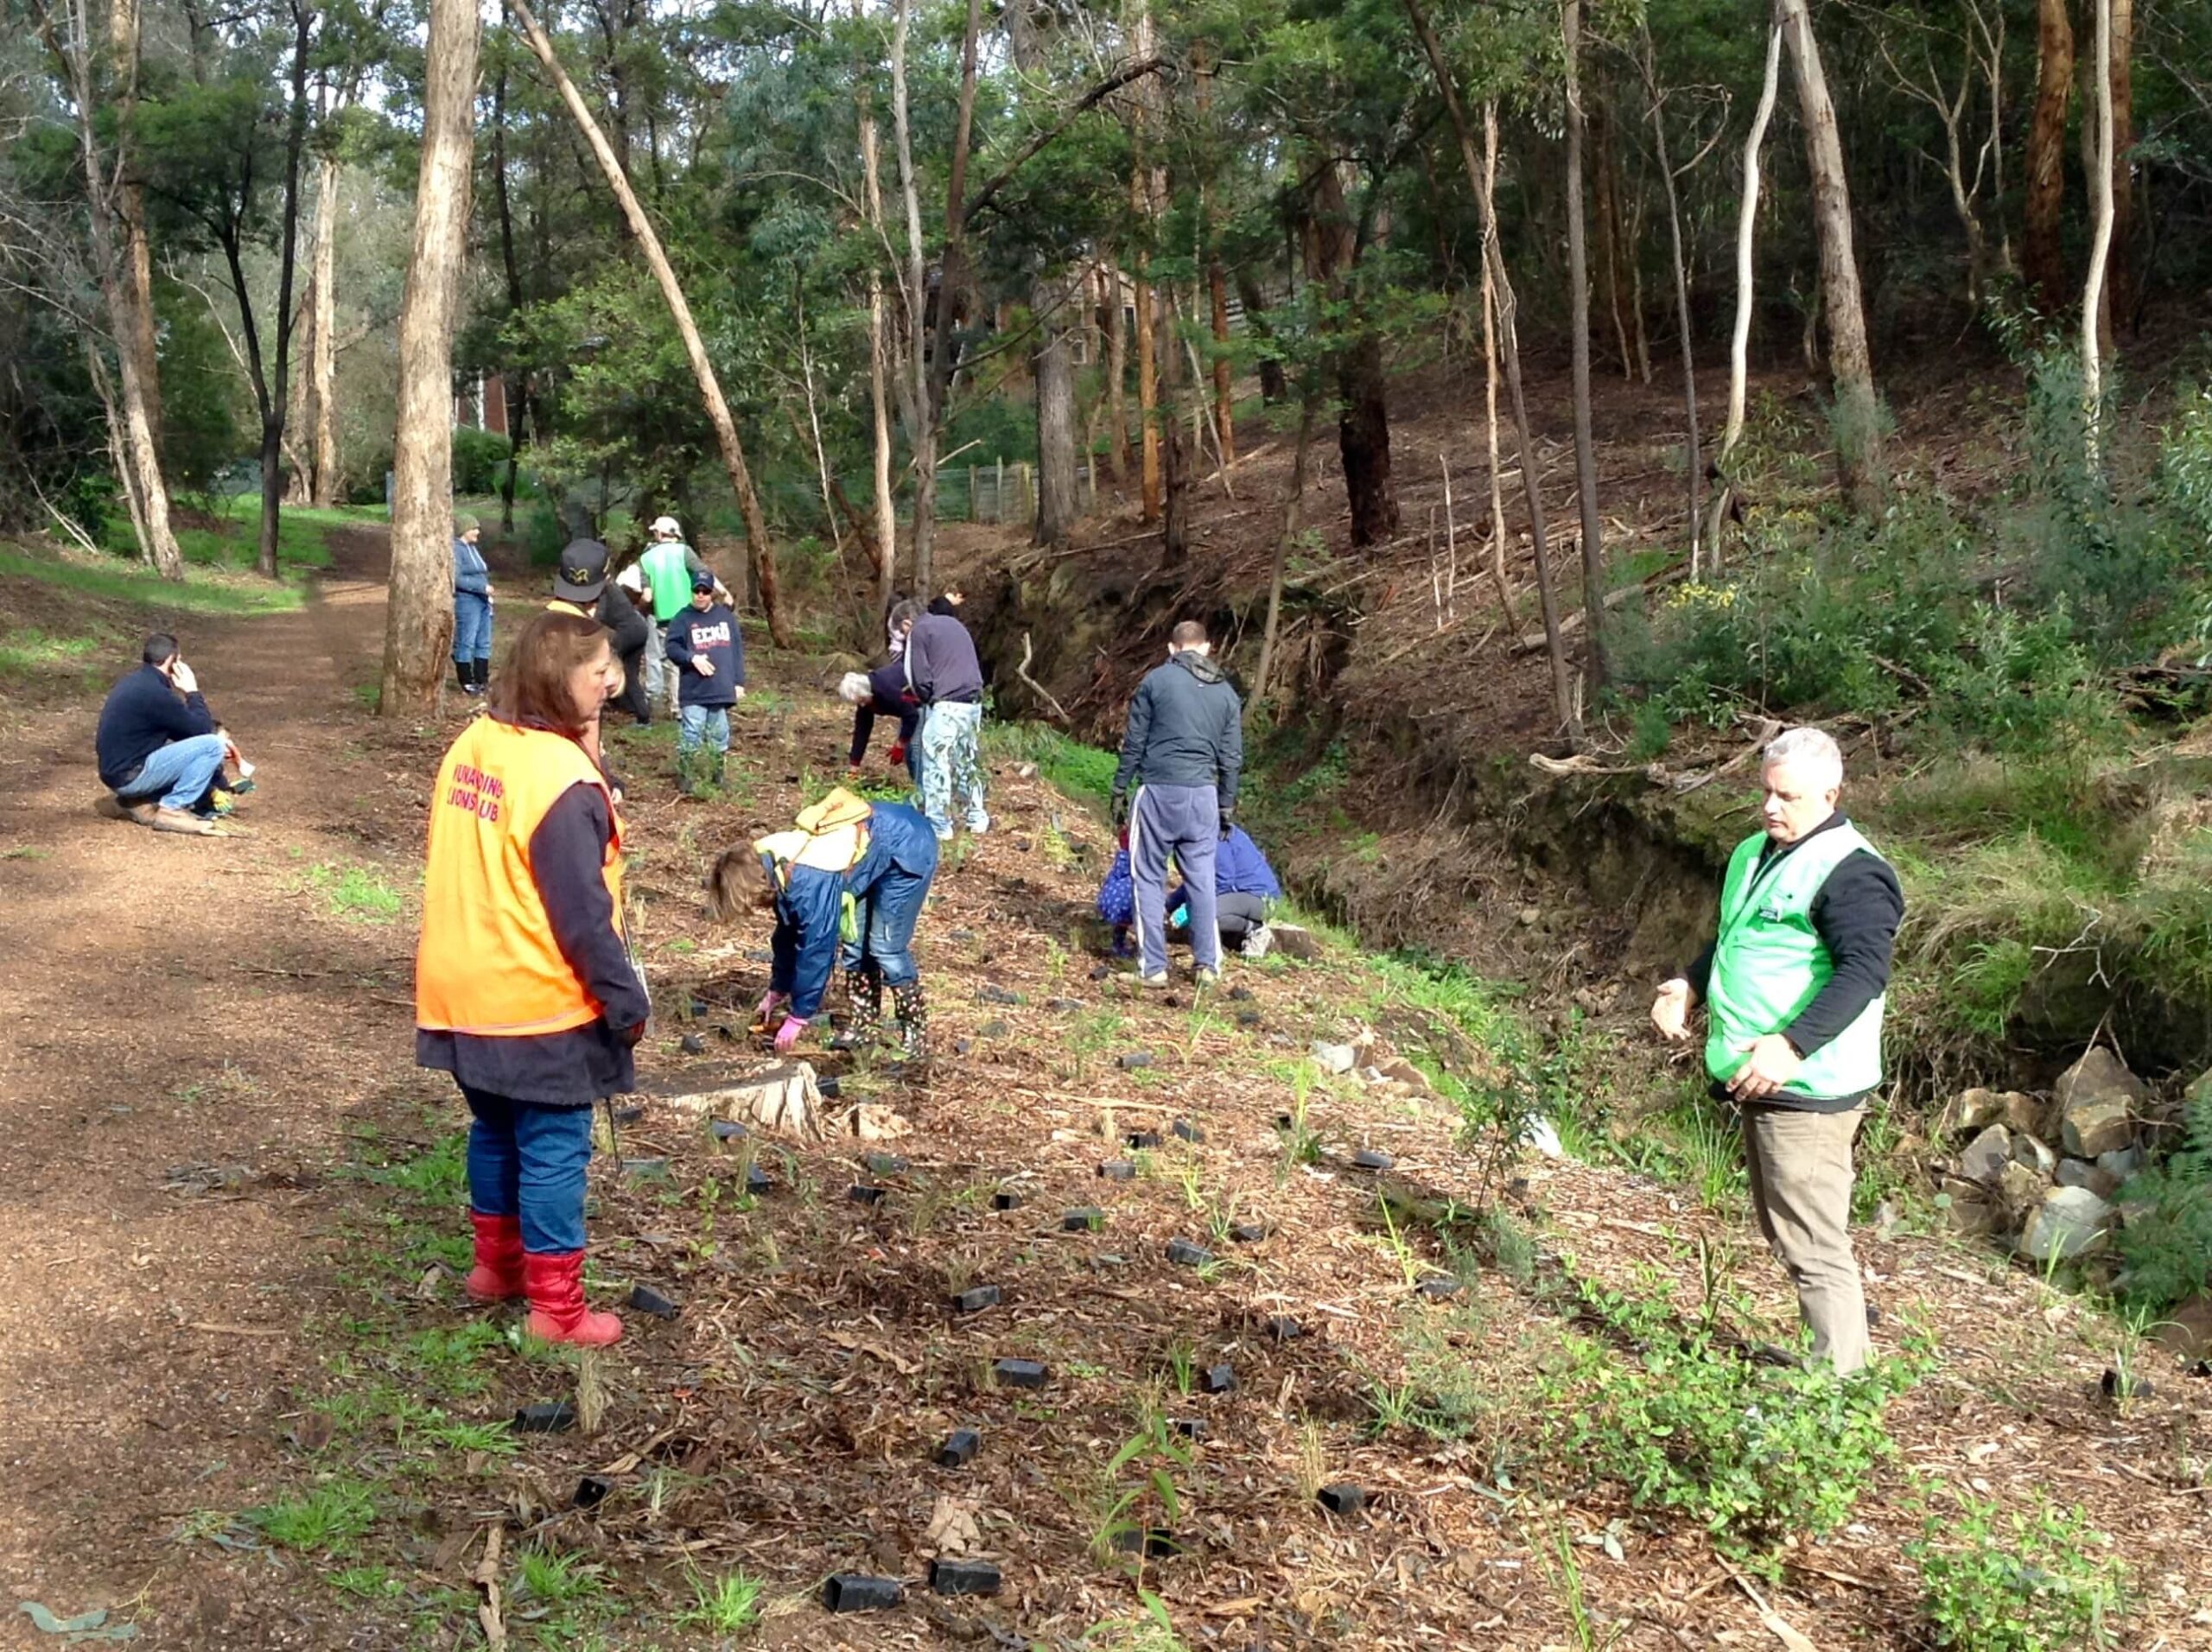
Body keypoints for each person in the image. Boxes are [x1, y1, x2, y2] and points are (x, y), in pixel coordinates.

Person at [415, 607, 646, 1348]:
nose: (610, 683)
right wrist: (623, 1000)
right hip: (531, 998)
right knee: (553, 1145)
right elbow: (583, 915)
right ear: (556, 677)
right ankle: (557, 1312)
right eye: (597, 671)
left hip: (457, 987)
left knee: (494, 1127)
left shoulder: (476, 743)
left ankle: (497, 1270)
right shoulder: (560, 780)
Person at [1649, 726, 1904, 1375]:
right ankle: (1831, 1361)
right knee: (1789, 1229)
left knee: (1813, 1240)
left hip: (1809, 1090)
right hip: (1760, 1079)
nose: (1771, 808)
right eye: (1765, 792)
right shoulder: (1752, 853)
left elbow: (1864, 973)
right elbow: (1734, 940)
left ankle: (1840, 1385)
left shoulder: (1855, 873)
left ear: (1831, 793)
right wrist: (1689, 984)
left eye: (1787, 797)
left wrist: (1792, 1046)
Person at [709, 787, 939, 1064]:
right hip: (873, 848)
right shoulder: (771, 863)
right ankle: (864, 1028)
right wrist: (777, 989)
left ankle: (915, 1034)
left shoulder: (807, 880)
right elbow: (788, 932)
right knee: (855, 946)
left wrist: (799, 1016)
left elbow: (817, 947)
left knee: (885, 946)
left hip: (906, 846)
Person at [1110, 620, 1243, 988]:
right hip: (1203, 795)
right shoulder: (1226, 693)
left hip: (1158, 791)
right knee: (1201, 880)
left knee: (1149, 877)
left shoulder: (1155, 681)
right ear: (1207, 648)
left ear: (1172, 649)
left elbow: (1134, 742)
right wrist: (1226, 805)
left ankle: (1153, 967)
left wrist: (1120, 786)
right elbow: (1231, 758)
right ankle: (1207, 966)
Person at [93, 633, 245, 836]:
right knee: (213, 745)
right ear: (172, 662)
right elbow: (202, 731)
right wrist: (192, 692)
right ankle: (173, 810)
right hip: (132, 776)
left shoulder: (134, 684)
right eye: (179, 660)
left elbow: (185, 735)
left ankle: (138, 802)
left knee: (194, 749)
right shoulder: (157, 694)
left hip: (116, 773)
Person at [892, 597, 988, 841]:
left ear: (906, 623)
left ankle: (938, 825)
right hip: (974, 700)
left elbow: (918, 676)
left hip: (947, 703)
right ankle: (976, 817)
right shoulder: (954, 624)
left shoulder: (918, 631)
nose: (903, 638)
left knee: (936, 760)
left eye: (901, 633)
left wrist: (926, 699)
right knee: (967, 759)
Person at [550, 540, 653, 726]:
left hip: (630, 632)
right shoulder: (606, 586)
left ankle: (602, 708)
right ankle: (638, 712)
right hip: (637, 628)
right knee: (629, 673)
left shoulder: (604, 591)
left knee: (600, 663)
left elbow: (597, 617)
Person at [635, 516, 727, 716]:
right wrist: (724, 593)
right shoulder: (684, 552)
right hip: (685, 617)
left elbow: (647, 595)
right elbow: (706, 574)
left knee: (653, 658)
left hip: (658, 616)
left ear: (659, 534)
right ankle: (678, 707)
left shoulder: (646, 558)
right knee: (679, 661)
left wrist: (639, 610)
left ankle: (653, 705)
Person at [664, 569, 744, 796]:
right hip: (694, 689)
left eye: (705, 591)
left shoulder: (725, 618)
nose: (700, 595)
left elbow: (736, 650)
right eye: (696, 590)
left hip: (720, 687)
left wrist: (738, 682)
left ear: (712, 593)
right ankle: (685, 775)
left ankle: (718, 774)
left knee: (720, 734)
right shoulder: (683, 618)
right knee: (692, 732)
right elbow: (672, 648)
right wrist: (692, 658)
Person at [1166, 823, 1282, 958]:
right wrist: (1169, 904)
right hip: (1240, 896)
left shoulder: (1217, 839)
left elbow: (1224, 882)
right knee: (1200, 912)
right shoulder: (1204, 834)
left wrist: (1190, 908)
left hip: (1261, 898)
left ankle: (1256, 929)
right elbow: (1197, 881)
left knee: (1203, 914)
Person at [838, 664, 920, 785]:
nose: (862, 706)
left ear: (867, 692)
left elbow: (911, 714)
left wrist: (900, 743)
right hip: (908, 711)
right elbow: (862, 731)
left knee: (914, 749)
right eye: (858, 703)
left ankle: (922, 790)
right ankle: (917, 785)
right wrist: (854, 765)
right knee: (909, 751)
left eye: (862, 701)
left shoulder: (886, 689)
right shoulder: (865, 702)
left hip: (921, 702)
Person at [452, 514, 493, 696]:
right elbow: (457, 578)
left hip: (483, 600)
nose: (478, 532)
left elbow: (480, 572)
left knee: (483, 641)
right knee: (466, 641)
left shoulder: (472, 548)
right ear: (464, 530)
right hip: (467, 600)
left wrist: (487, 593)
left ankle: (482, 679)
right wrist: (480, 586)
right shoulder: (456, 549)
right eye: (474, 528)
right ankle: (466, 680)